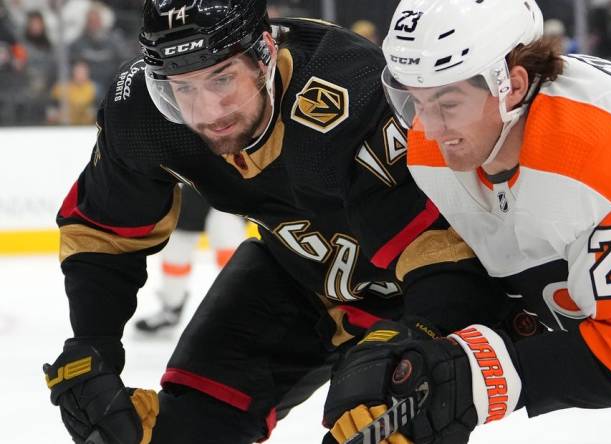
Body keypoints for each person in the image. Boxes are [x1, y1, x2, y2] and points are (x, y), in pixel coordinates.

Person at [42, 1, 513, 443]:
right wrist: (92, 344)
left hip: (414, 292)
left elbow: (448, 252)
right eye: (182, 88)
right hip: (295, 272)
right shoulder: (143, 114)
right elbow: (103, 232)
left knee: (389, 420)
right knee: (174, 432)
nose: (208, 112)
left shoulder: (353, 89)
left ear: (265, 53)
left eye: (223, 79)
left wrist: (417, 339)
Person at [322, 1, 611, 443]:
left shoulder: (601, 141)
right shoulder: (437, 149)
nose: (430, 128)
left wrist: (483, 378)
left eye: (447, 103)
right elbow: (503, 280)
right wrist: (418, 350)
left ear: (514, 85)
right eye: (413, 101)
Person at [134, 185, 248, 334]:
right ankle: (171, 308)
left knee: (226, 237)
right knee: (177, 242)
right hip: (198, 180)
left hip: (235, 185)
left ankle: (245, 309)